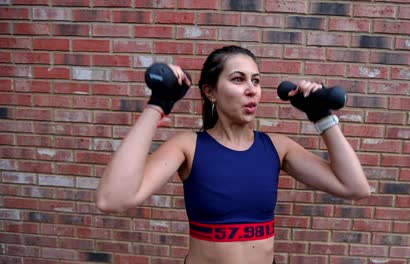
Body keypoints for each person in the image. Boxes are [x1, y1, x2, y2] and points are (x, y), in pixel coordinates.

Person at [96, 45, 371, 264]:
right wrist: (157, 105)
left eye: (256, 80)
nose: (252, 89)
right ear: (210, 91)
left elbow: (355, 187)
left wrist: (321, 116)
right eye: (238, 79)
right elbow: (112, 199)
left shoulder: (277, 147)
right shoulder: (188, 146)